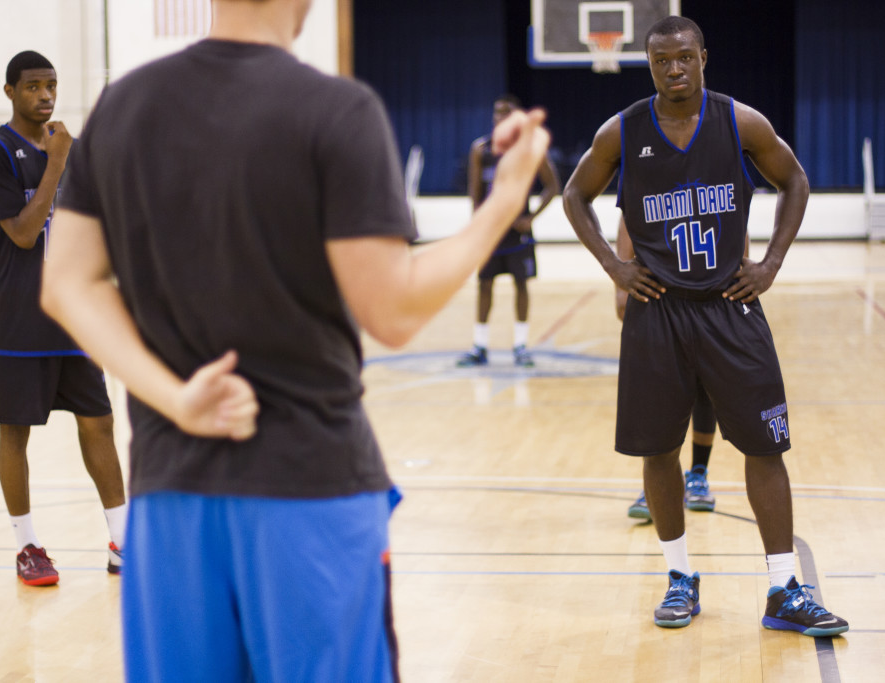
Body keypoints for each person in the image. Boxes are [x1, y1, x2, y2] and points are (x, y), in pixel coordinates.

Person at [39, 0, 550, 679]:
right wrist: (503, 202)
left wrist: (176, 397)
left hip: (170, 497)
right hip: (309, 490)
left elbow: (66, 284)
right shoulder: (336, 110)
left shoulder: (123, 105)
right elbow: (393, 310)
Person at [562, 16, 847, 636]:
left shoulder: (739, 120)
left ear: (703, 57)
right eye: (663, 60)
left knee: (765, 446)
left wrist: (769, 263)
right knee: (658, 449)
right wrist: (616, 267)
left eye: (685, 58)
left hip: (729, 307)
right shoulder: (623, 131)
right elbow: (574, 195)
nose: (675, 70)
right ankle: (679, 578)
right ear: (649, 64)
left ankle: (783, 588)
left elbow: (794, 179)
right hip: (656, 311)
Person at [0, 50, 127, 587]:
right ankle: (28, 546)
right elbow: (22, 232)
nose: (45, 95)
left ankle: (123, 541)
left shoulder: (76, 153)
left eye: (51, 85)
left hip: (74, 314)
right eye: (33, 86)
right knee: (16, 433)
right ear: (10, 91)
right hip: (18, 314)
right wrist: (57, 163)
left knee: (99, 422)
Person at [616, 217, 718, 520]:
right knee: (657, 391)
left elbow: (737, 215)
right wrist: (619, 282)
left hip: (707, 291)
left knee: (703, 387)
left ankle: (698, 473)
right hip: (658, 295)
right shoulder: (647, 170)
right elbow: (628, 218)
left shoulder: (715, 172)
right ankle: (653, 486)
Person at [457, 95, 561, 368]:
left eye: (506, 113)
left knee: (521, 285)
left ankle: (521, 347)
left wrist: (531, 217)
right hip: (491, 233)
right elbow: (475, 195)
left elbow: (553, 186)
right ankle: (479, 346)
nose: (500, 117)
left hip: (518, 234)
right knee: (484, 285)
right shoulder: (481, 149)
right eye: (496, 113)